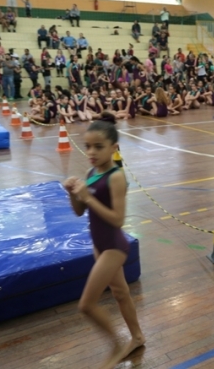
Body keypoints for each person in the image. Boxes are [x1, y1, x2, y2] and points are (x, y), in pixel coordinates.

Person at [63, 114, 145, 368]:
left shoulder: (116, 176)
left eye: (98, 146)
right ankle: (137, 337)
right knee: (120, 293)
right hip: (99, 245)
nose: (91, 151)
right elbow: (79, 211)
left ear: (114, 147)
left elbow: (118, 220)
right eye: (88, 146)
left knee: (86, 305)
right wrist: (73, 194)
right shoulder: (90, 172)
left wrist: (87, 197)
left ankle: (116, 344)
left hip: (113, 247)